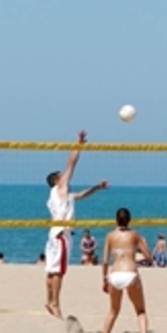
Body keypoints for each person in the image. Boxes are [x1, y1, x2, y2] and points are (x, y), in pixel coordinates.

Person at [43, 130, 108, 319]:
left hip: (54, 234)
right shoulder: (59, 188)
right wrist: (78, 144)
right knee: (58, 272)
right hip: (62, 234)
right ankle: (55, 304)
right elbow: (71, 164)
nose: (64, 176)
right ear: (57, 180)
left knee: (51, 271)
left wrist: (97, 187)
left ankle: (49, 300)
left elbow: (82, 195)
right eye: (61, 175)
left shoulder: (62, 196)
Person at [100, 208, 151, 333]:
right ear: (129, 220)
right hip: (130, 273)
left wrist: (104, 279)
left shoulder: (110, 236)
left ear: (116, 220)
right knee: (140, 311)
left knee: (113, 311)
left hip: (115, 274)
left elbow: (105, 261)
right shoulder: (135, 235)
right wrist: (142, 248)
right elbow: (148, 257)